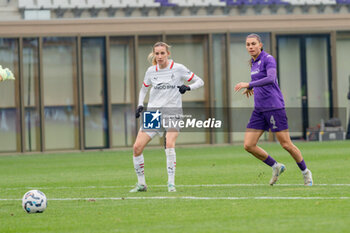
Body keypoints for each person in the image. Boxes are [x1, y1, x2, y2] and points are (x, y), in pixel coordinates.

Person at [234, 33, 313, 186]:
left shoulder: (268, 59)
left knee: (286, 144)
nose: (250, 47)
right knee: (248, 145)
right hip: (259, 109)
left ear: (260, 45)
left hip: (274, 107)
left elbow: (271, 78)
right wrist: (252, 87)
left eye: (253, 44)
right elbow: (260, 81)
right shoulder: (253, 62)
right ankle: (276, 166)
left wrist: (249, 84)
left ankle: (305, 172)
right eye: (248, 44)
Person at [130, 41, 204, 192]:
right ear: (154, 54)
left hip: (172, 111)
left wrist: (187, 87)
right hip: (153, 113)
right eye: (157, 53)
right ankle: (141, 184)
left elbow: (200, 81)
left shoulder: (178, 68)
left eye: (162, 53)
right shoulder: (151, 71)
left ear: (168, 54)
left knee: (169, 144)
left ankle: (171, 184)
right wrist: (140, 105)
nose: (159, 56)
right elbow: (144, 89)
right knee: (137, 147)